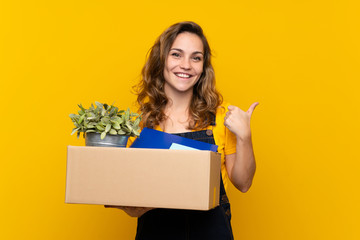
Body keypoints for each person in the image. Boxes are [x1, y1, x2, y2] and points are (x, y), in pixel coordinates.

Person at [107, 21, 258, 240]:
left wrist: (245, 136)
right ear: (162, 60)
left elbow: (243, 183)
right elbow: (130, 195)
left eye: (196, 57)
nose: (186, 65)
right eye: (176, 54)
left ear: (203, 67)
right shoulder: (139, 125)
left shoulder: (221, 118)